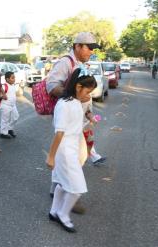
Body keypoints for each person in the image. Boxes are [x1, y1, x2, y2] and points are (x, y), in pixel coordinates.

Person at [47, 32, 106, 213]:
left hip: (78, 118)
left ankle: (58, 189)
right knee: (77, 157)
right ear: (78, 46)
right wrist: (71, 95)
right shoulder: (66, 62)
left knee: (71, 156)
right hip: (68, 119)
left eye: (93, 49)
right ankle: (70, 192)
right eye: (89, 48)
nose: (91, 52)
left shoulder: (81, 64)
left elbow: (84, 92)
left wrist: (88, 112)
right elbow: (52, 85)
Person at [46, 67, 97, 233]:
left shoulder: (76, 102)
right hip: (64, 149)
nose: (89, 95)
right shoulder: (64, 104)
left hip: (72, 147)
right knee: (77, 188)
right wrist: (51, 157)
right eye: (88, 91)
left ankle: (54, 211)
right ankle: (63, 214)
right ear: (78, 87)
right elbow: (59, 132)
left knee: (63, 182)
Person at [0, 71, 19, 139]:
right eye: (12, 78)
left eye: (14, 77)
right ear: (7, 79)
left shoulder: (13, 85)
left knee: (16, 117)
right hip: (5, 105)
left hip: (13, 105)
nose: (14, 79)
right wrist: (2, 96)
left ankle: (9, 129)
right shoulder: (4, 86)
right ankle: (3, 133)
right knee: (5, 120)